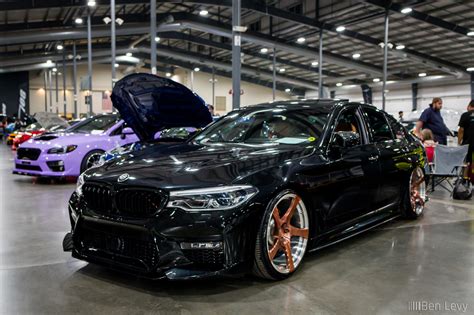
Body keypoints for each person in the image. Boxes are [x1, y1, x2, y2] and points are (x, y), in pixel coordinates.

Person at [457, 100, 474, 179]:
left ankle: (465, 179)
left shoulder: (465, 115)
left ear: (469, 106)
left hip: (468, 143)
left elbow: (461, 130)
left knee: (466, 162)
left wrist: (459, 142)